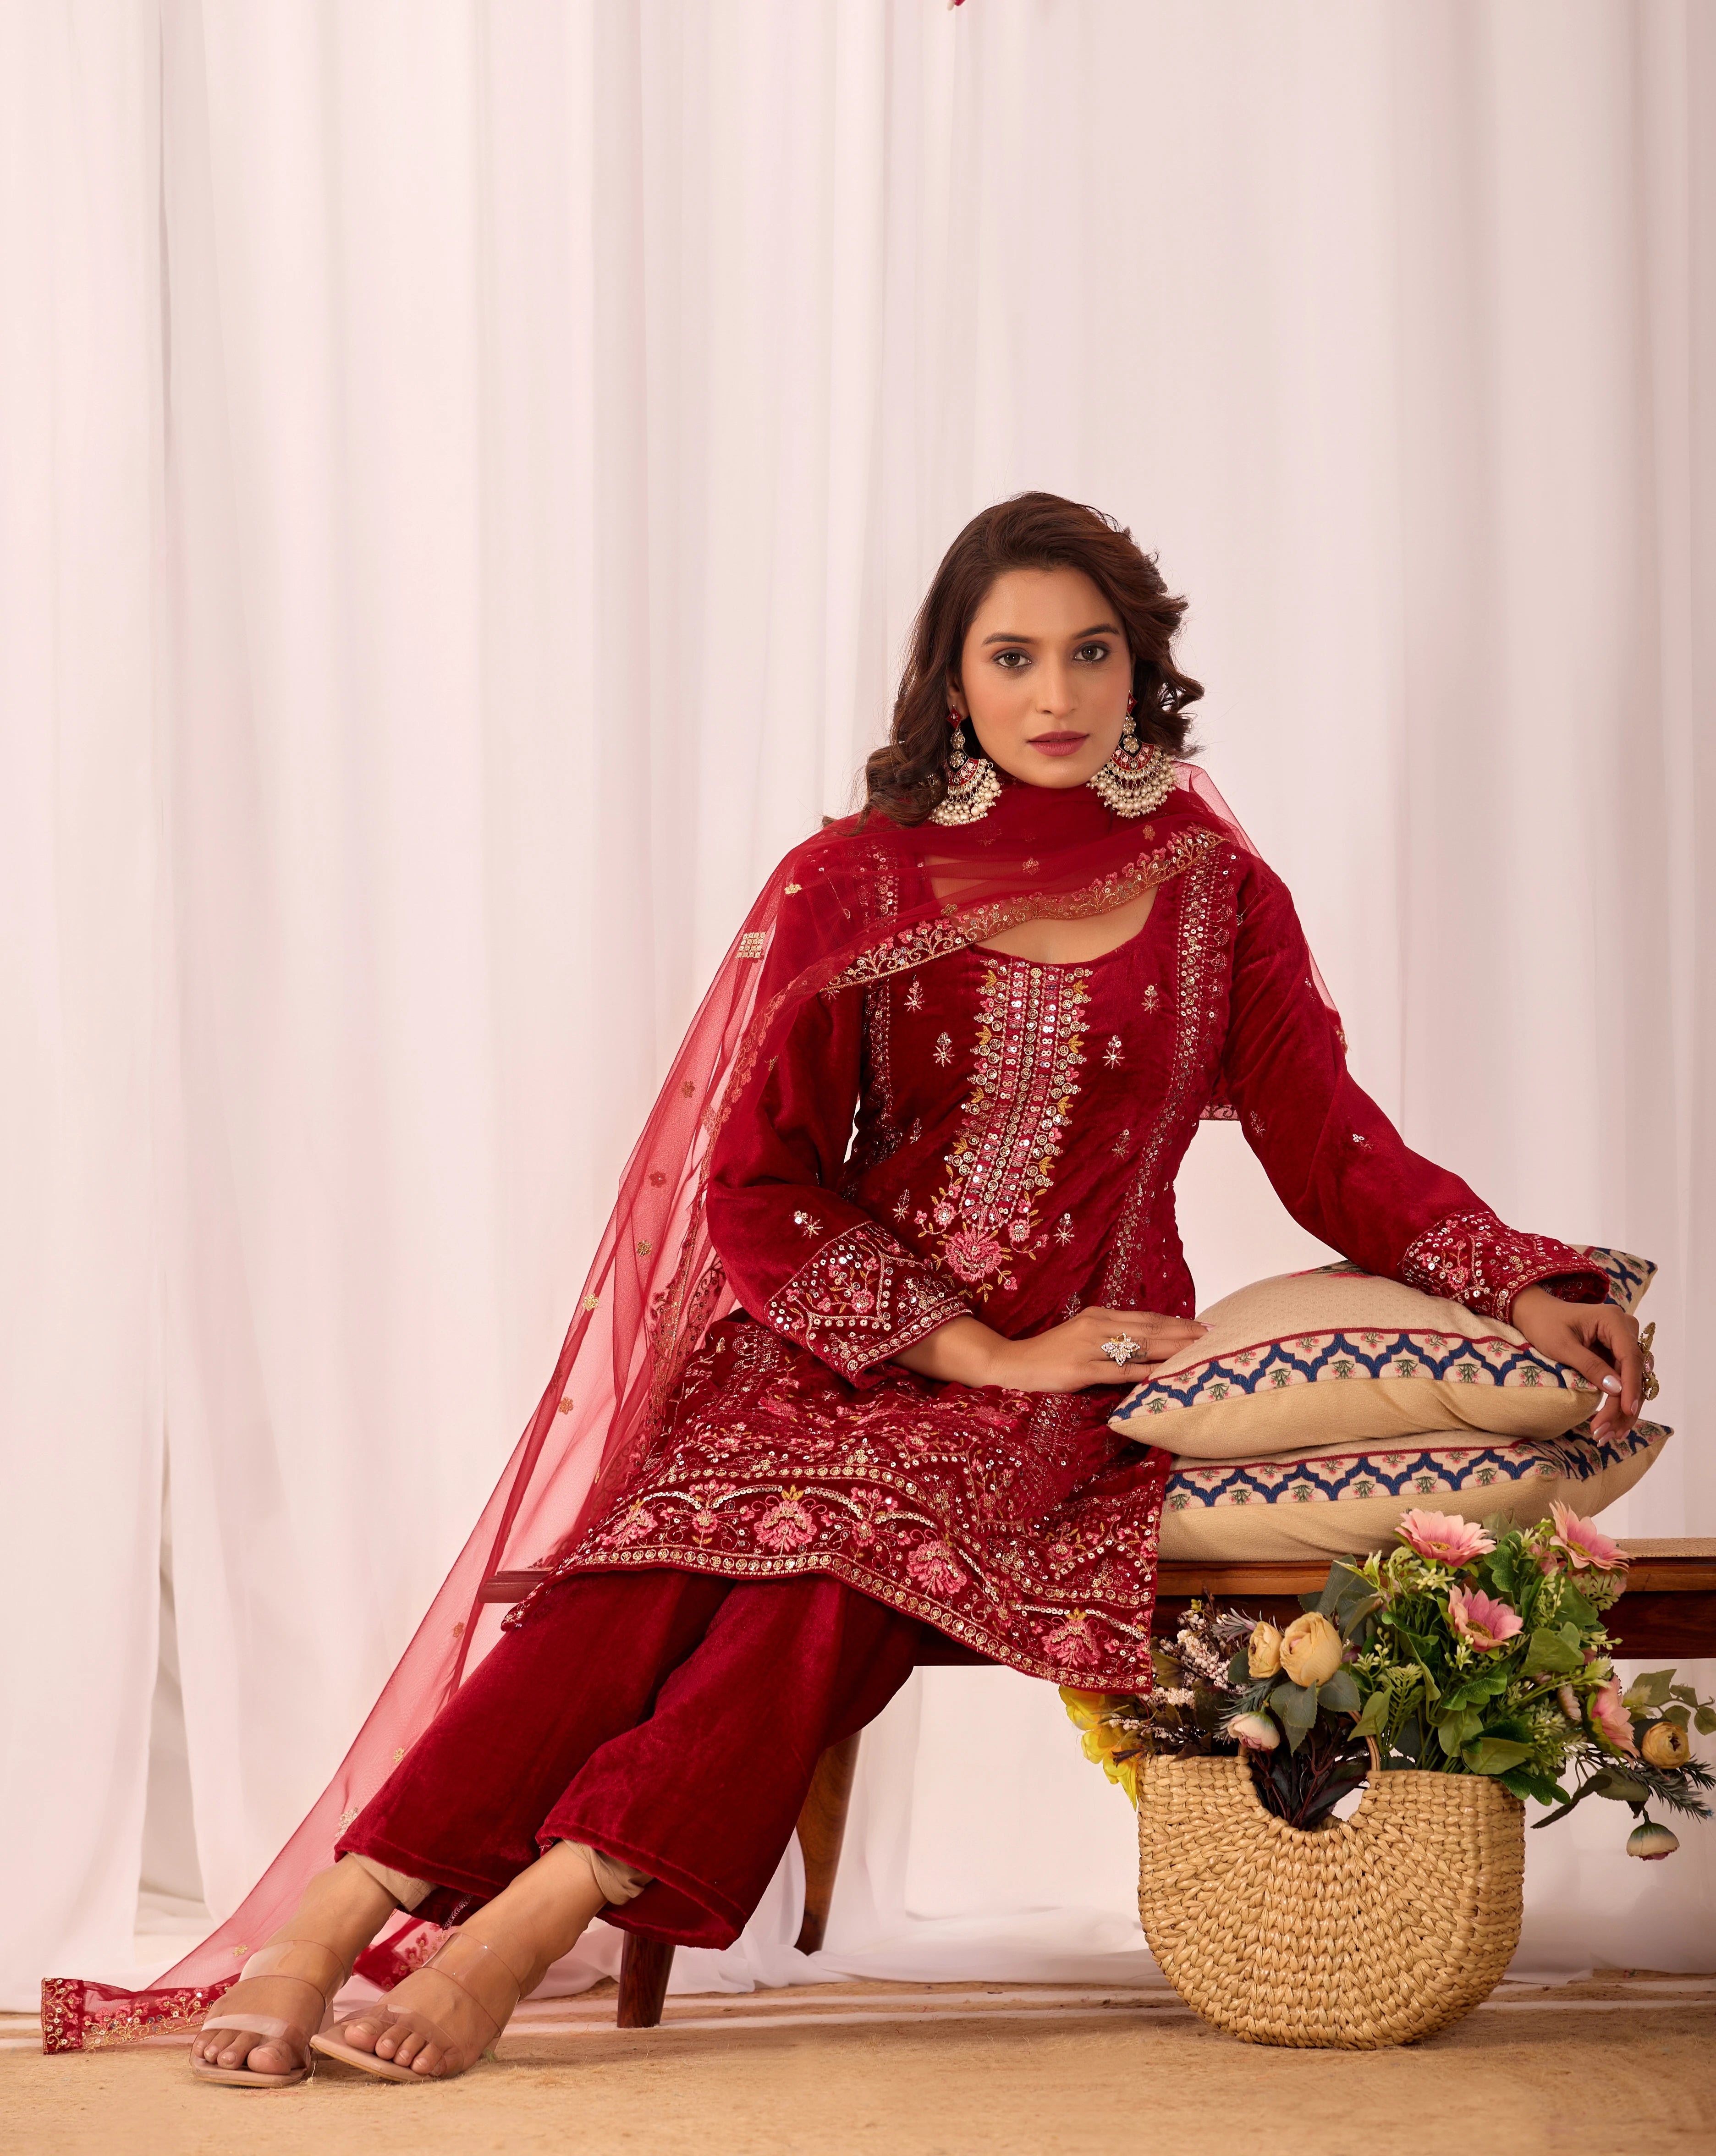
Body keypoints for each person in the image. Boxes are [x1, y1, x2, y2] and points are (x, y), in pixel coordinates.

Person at [160, 493, 1643, 2084]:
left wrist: (1516, 1279)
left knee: (846, 1559)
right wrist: (968, 1348)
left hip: (1084, 1372)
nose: (1058, 695)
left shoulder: (1219, 897)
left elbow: (1331, 1142)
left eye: (1094, 654)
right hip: (842, 1335)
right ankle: (345, 1909)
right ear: (952, 678)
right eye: (1015, 657)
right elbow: (759, 1179)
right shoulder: (854, 880)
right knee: (659, 1558)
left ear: (1144, 671)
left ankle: (536, 1916)